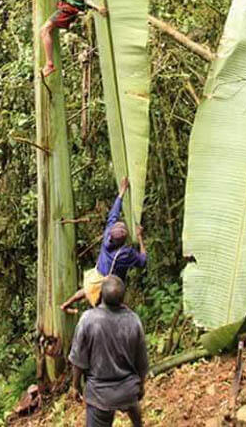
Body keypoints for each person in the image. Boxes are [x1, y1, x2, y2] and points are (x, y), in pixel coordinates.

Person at [69, 275, 149, 427]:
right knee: (132, 406)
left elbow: (78, 359)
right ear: (123, 298)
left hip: (100, 394)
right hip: (128, 390)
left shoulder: (88, 319)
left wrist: (76, 386)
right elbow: (142, 362)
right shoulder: (134, 320)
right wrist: (141, 386)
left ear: (100, 295)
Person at [60, 177, 146, 313]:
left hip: (96, 275)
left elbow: (113, 214)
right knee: (107, 308)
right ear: (124, 240)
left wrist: (122, 192)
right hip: (107, 285)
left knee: (86, 290)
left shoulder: (108, 235)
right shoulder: (125, 253)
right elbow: (142, 262)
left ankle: (66, 304)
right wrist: (140, 238)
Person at [40, 0, 108, 78]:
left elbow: (87, 0)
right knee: (45, 30)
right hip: (63, 8)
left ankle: (49, 64)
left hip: (69, 10)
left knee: (44, 29)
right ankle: (49, 64)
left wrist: (98, 7)